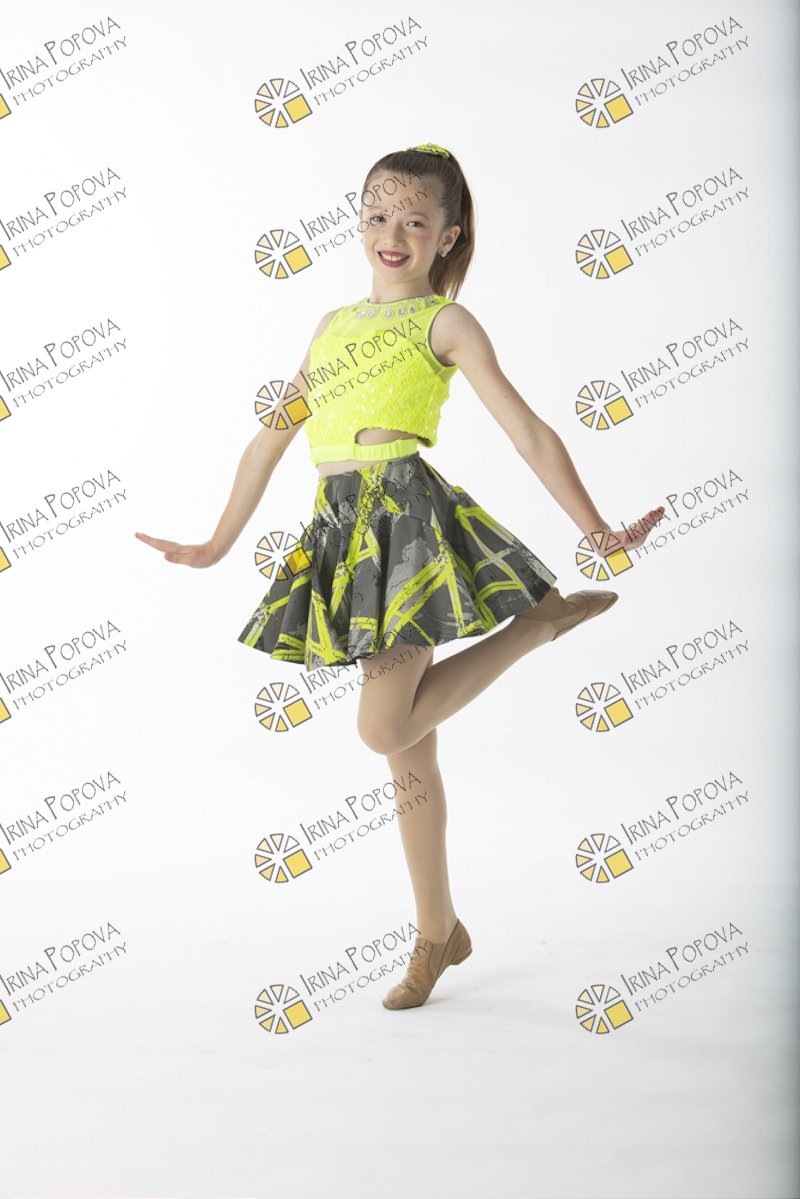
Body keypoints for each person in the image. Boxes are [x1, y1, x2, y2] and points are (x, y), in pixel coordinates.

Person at [136, 142, 665, 1012]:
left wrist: (597, 529)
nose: (393, 233)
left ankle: (538, 625)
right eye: (378, 215)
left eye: (416, 220)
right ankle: (437, 932)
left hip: (407, 527)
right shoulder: (331, 325)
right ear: (358, 222)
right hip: (343, 533)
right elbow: (271, 437)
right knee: (409, 756)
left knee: (383, 727)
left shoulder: (445, 324)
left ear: (447, 236)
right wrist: (217, 541)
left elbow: (528, 430)